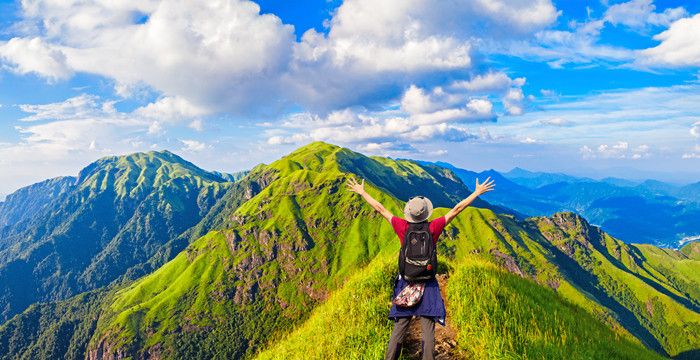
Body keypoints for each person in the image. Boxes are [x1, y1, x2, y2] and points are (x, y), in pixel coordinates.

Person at [346, 176, 496, 360]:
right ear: (426, 212)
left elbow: (380, 208)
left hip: (406, 282)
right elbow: (457, 209)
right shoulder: (433, 227)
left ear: (409, 213)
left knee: (400, 326)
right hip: (428, 282)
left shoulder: (402, 227)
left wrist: (362, 192)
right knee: (428, 328)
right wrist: (477, 192)